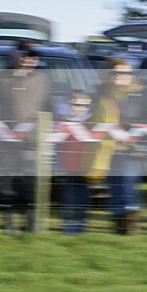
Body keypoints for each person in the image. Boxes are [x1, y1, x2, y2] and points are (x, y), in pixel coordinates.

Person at [0, 43, 51, 233]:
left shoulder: (42, 79)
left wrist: (48, 133)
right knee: (7, 181)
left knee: (30, 181)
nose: (29, 60)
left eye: (33, 57)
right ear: (16, 56)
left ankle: (31, 222)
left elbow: (48, 107)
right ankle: (9, 222)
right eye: (25, 56)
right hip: (6, 139)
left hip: (32, 140)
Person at [90, 59, 147, 235]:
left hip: (131, 150)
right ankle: (119, 226)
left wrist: (142, 139)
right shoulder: (100, 94)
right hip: (107, 149)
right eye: (116, 73)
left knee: (127, 184)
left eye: (125, 73)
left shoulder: (140, 95)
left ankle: (131, 226)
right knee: (114, 186)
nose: (120, 77)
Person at [57, 91, 93, 234]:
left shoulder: (91, 122)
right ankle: (70, 225)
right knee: (70, 194)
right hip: (69, 165)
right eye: (77, 104)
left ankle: (80, 224)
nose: (81, 108)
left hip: (85, 165)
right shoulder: (62, 121)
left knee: (82, 196)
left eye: (85, 106)